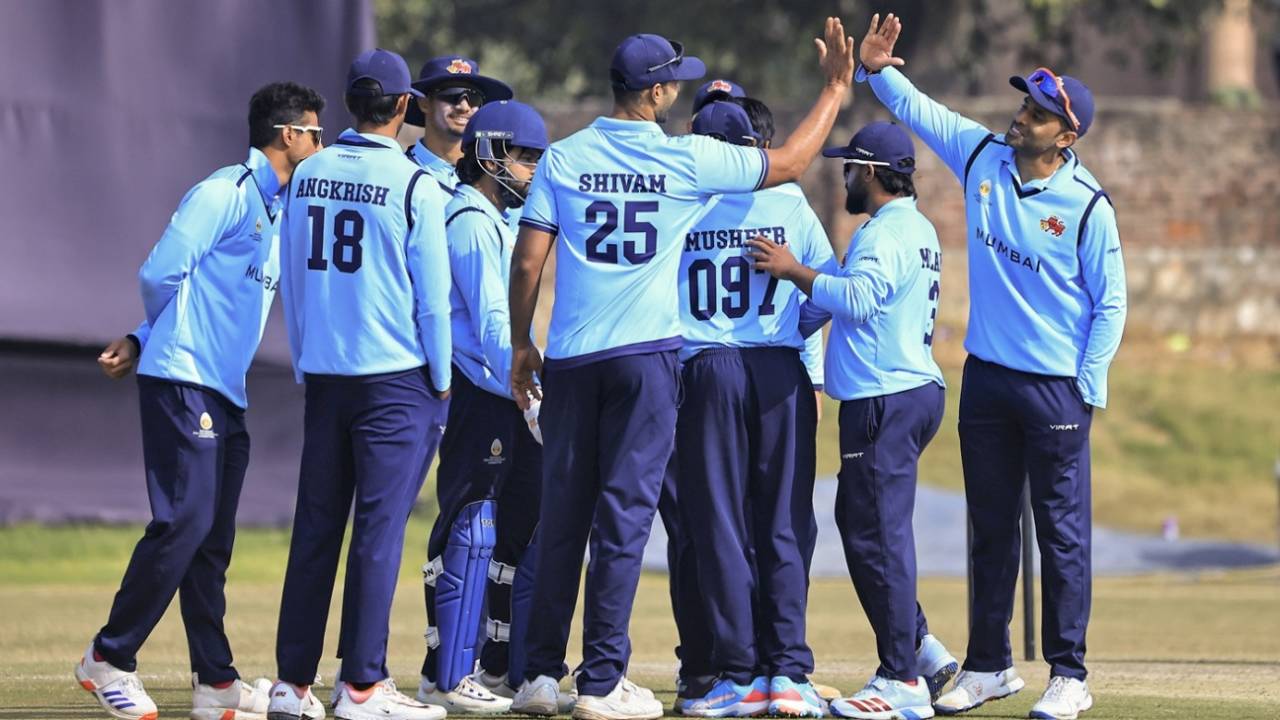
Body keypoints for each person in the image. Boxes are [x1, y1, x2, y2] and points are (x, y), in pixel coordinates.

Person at [506, 18, 856, 720]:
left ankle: (540, 675)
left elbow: (527, 259)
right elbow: (789, 163)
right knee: (626, 522)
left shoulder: (564, 157)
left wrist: (522, 344)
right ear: (658, 91)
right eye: (675, 79)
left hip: (574, 357)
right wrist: (837, 88)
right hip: (649, 360)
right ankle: (603, 681)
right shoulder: (684, 161)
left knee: (564, 517)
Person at [856, 14, 1126, 720]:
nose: (1022, 116)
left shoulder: (1088, 205)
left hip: (1055, 387)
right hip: (987, 379)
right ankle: (989, 664)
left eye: (1038, 113)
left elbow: (1112, 304)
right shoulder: (983, 159)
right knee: (990, 528)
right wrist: (879, 70)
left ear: (1065, 137)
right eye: (1024, 104)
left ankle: (1069, 673)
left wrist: (1087, 384)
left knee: (1062, 532)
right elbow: (924, 111)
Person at [79, 82, 324, 720]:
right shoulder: (225, 192)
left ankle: (215, 682)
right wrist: (152, 339)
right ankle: (108, 657)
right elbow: (159, 274)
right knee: (183, 521)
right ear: (287, 135)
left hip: (224, 387)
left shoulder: (280, 209)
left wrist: (138, 335)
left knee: (211, 540)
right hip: (184, 378)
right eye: (315, 134)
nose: (319, 146)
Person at [749, 120, 961, 720]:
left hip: (883, 399)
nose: (844, 175)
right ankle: (921, 649)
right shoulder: (914, 228)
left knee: (878, 536)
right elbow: (851, 295)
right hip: (908, 391)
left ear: (869, 172)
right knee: (865, 525)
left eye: (850, 166)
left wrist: (794, 271)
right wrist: (793, 322)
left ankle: (901, 680)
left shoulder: (879, 234)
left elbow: (862, 299)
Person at [268, 48, 453, 720]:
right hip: (396, 379)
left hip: (326, 374)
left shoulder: (308, 172)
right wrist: (440, 378)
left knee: (316, 528)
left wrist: (301, 359)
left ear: (349, 103)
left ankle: (292, 685)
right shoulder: (415, 185)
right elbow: (433, 302)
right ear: (406, 108)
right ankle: (362, 687)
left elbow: (289, 273)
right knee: (377, 533)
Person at [675, 99, 834, 718]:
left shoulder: (683, 204)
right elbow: (828, 283)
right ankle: (787, 673)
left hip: (707, 367)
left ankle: (737, 674)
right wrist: (801, 342)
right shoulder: (789, 200)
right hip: (778, 367)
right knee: (785, 522)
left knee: (719, 524)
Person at [414, 100, 549, 715]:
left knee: (506, 535)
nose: (531, 173)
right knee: (469, 530)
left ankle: (490, 668)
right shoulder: (469, 218)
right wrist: (528, 385)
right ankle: (446, 675)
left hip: (500, 392)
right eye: (526, 159)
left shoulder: (495, 219)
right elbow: (494, 321)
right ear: (492, 155)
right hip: (480, 394)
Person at [405, 56, 515, 193]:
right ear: (424, 103)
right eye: (452, 95)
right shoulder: (400, 172)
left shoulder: (493, 178)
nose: (464, 107)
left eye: (474, 97)